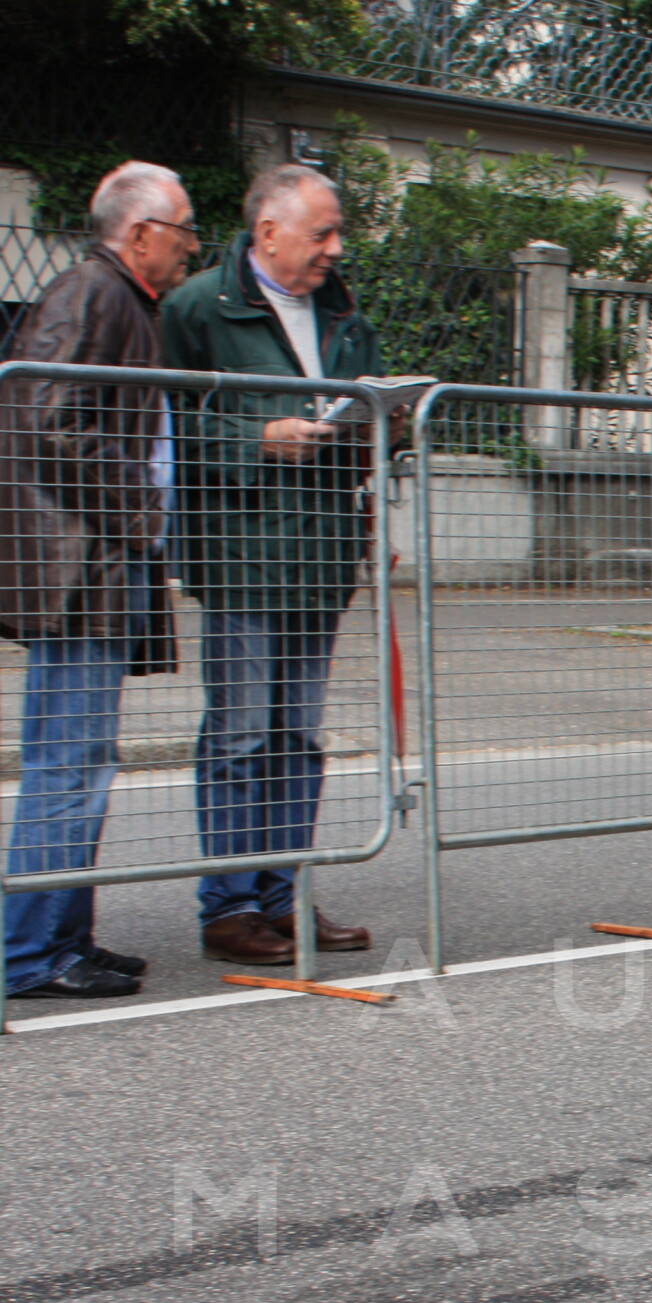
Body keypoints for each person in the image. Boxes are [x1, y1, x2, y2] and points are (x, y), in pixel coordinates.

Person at [159, 163, 377, 965]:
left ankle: (283, 898)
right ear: (269, 232)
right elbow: (163, 427)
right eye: (322, 233)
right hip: (241, 554)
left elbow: (365, 422)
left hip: (320, 552)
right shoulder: (195, 309)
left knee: (296, 736)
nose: (335, 247)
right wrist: (257, 438)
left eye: (337, 232)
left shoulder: (343, 311)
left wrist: (382, 427)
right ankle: (230, 907)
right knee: (241, 732)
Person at [0, 162, 197, 999]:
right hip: (82, 573)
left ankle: (63, 938)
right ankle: (29, 953)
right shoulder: (93, 292)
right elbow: (52, 419)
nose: (192, 245)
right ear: (141, 232)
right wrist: (143, 509)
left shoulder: (117, 297)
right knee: (69, 764)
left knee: (82, 761)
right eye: (184, 229)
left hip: (96, 567)